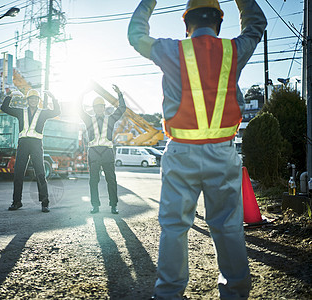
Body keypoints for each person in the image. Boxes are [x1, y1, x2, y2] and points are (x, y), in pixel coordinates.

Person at [128, 0, 266, 299]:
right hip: (223, 153)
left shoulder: (171, 50)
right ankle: (236, 293)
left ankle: (168, 294)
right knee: (228, 226)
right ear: (218, 21)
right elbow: (256, 25)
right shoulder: (232, 50)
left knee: (174, 228)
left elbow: (136, 36)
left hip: (181, 153)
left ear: (186, 22)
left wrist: (149, 1)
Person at [1, 89, 61, 213]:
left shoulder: (43, 113)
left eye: (35, 99)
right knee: (18, 173)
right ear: (27, 100)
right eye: (31, 98)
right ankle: (17, 202)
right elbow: (5, 108)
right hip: (23, 144)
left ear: (38, 101)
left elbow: (57, 111)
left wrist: (53, 98)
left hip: (36, 145)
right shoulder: (20, 112)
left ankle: (45, 203)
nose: (33, 100)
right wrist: (10, 96)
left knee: (40, 173)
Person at [79, 85, 126, 214]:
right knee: (93, 181)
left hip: (107, 153)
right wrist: (82, 94)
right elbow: (79, 109)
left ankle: (113, 205)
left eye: (101, 106)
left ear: (104, 108)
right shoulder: (89, 119)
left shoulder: (110, 119)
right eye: (96, 107)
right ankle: (95, 206)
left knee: (111, 180)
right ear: (93, 109)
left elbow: (122, 109)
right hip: (94, 153)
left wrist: (120, 95)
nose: (99, 109)